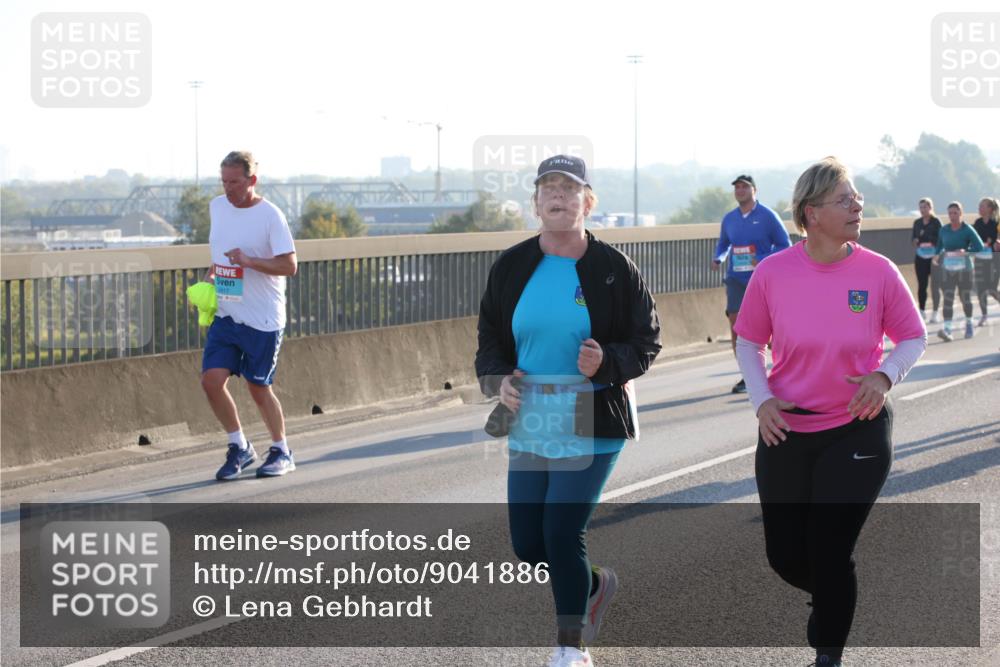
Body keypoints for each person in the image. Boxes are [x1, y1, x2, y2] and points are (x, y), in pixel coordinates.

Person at [733, 157, 926, 667]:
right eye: (845, 198)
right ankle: (834, 591)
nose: (857, 204)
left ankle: (829, 651)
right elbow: (749, 343)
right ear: (811, 213)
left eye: (857, 196)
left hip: (856, 429)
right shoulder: (773, 273)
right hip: (786, 431)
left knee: (831, 548)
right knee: (786, 556)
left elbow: (913, 336)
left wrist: (884, 376)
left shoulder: (877, 271)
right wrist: (762, 401)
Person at [475, 155, 661, 667]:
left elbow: (647, 342)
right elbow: (489, 338)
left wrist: (607, 361)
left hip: (593, 413)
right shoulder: (512, 265)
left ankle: (569, 647)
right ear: (536, 202)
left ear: (587, 201)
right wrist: (497, 379)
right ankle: (594, 583)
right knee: (529, 544)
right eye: (548, 188)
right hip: (530, 413)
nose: (558, 195)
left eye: (568, 188)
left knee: (562, 532)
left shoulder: (614, 269)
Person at [202, 151, 298, 480]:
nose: (227, 188)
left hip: (263, 318)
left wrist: (249, 261)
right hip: (227, 315)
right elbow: (220, 253)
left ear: (252, 180)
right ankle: (239, 446)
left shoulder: (271, 216)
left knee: (259, 388)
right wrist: (210, 279)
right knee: (211, 381)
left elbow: (289, 265)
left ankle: (282, 450)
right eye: (224, 181)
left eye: (234, 182)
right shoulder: (217, 207)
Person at [712, 174, 791, 393]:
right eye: (737, 187)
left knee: (771, 328)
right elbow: (723, 245)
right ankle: (747, 375)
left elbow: (785, 245)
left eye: (744, 187)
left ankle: (782, 370)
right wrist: (718, 258)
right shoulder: (729, 219)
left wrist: (763, 257)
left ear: (754, 190)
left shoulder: (767, 216)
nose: (740, 190)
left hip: (761, 278)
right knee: (737, 326)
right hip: (736, 279)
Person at [933, 201, 984, 341]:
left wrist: (966, 251)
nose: (952, 216)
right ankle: (948, 330)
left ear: (961, 213)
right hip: (948, 269)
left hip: (965, 269)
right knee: (948, 299)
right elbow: (939, 246)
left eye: (955, 213)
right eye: (950, 213)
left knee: (965, 298)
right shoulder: (944, 230)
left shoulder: (967, 229)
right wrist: (936, 255)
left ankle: (969, 324)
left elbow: (979, 247)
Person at [911, 197, 943, 322]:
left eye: (925, 207)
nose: (922, 210)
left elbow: (941, 240)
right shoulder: (917, 223)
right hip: (921, 257)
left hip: (934, 257)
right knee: (922, 285)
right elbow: (913, 239)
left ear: (930, 208)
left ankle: (935, 312)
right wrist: (915, 241)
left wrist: (930, 241)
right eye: (921, 207)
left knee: (935, 285)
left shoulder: (936, 222)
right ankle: (922, 311)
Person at [973, 197, 1000, 327]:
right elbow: (973, 240)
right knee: (981, 288)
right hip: (980, 259)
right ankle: (984, 315)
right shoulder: (977, 223)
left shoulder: (996, 223)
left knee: (992, 289)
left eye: (983, 206)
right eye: (979, 206)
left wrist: (996, 243)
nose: (980, 208)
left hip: (994, 260)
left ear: (990, 209)